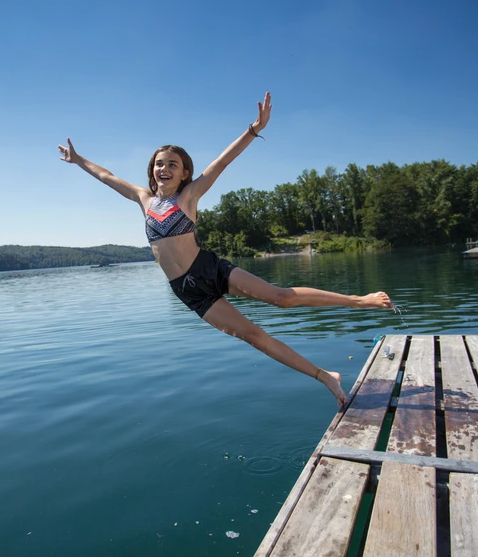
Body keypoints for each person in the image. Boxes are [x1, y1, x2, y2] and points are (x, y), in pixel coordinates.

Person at [57, 92, 392, 407]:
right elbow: (106, 175)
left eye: (173, 164)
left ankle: (359, 300)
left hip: (209, 268)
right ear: (152, 169)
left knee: (282, 298)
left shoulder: (188, 196)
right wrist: (77, 160)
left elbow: (222, 161)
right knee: (253, 336)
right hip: (187, 290)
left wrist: (253, 129)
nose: (165, 168)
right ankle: (326, 376)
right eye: (160, 163)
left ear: (184, 172)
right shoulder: (143, 199)